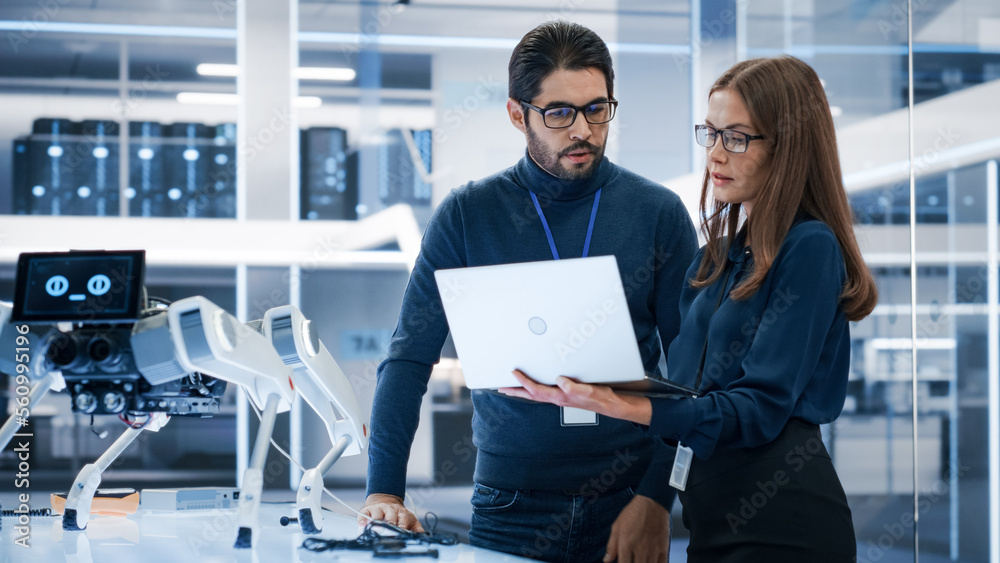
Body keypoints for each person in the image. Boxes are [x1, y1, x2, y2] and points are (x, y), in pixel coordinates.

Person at [503, 55, 879, 562]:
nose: (716, 156)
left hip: (784, 524)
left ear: (788, 148)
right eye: (712, 133)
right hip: (710, 521)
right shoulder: (716, 258)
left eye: (738, 138)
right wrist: (582, 379)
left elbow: (759, 408)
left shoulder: (809, 247)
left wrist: (619, 404)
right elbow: (685, 392)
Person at [360, 20, 698, 563]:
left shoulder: (656, 214)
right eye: (560, 113)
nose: (582, 130)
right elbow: (407, 359)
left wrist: (659, 498)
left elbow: (692, 374)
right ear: (518, 114)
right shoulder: (469, 214)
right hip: (508, 502)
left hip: (629, 496)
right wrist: (384, 490)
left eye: (597, 109)